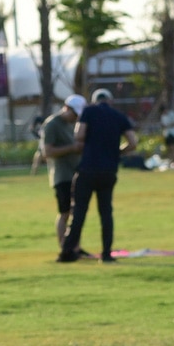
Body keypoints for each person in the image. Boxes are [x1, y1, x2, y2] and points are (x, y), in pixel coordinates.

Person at [60, 89, 135, 263]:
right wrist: (117, 152)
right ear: (110, 101)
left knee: (78, 212)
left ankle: (67, 252)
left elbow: (79, 135)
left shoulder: (88, 111)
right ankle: (107, 253)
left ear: (94, 101)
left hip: (88, 169)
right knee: (106, 213)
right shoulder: (119, 116)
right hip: (109, 171)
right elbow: (133, 142)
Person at [39, 95, 85, 251]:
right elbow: (47, 152)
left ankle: (75, 247)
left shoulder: (72, 124)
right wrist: (72, 148)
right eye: (75, 114)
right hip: (62, 176)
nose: (76, 117)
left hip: (75, 174)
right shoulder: (52, 124)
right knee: (64, 213)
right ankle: (64, 247)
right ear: (66, 108)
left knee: (75, 214)